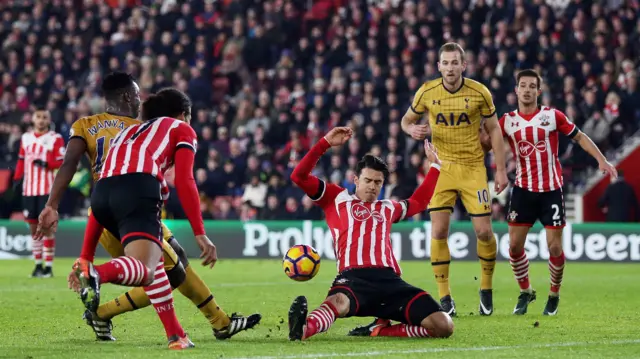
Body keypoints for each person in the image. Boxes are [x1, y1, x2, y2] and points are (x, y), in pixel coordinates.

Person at [37, 73, 260, 343]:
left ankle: (206, 327)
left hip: (102, 200)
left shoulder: (101, 127)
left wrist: (80, 247)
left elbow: (70, 164)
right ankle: (105, 306)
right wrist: (200, 232)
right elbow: (186, 180)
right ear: (183, 114)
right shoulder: (170, 127)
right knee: (160, 270)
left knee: (173, 261)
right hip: (136, 196)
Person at [287, 127, 453, 341]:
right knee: (337, 302)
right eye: (368, 181)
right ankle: (303, 329)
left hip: (391, 282)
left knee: (444, 326)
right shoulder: (336, 198)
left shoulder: (388, 207)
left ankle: (382, 330)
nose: (373, 187)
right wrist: (325, 143)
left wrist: (435, 166)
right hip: (353, 279)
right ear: (356, 180)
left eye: (378, 183)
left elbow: (419, 202)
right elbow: (298, 176)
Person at [486, 69, 617, 315]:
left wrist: (602, 160)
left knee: (554, 248)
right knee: (514, 247)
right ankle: (525, 292)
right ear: (516, 90)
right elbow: (488, 142)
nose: (526, 90)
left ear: (539, 90)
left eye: (531, 86)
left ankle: (554, 295)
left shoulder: (552, 116)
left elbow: (580, 137)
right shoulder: (507, 121)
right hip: (523, 191)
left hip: (551, 191)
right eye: (522, 85)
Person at [400, 42, 508, 316]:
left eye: (454, 63)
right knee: (438, 232)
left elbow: (494, 130)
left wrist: (501, 169)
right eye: (445, 63)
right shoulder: (427, 91)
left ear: (463, 65)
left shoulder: (479, 92)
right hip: (441, 168)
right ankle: (445, 298)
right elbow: (405, 121)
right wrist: (412, 129)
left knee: (484, 232)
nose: (449, 68)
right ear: (439, 67)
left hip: (473, 168)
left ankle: (485, 289)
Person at [12, 109, 65, 278]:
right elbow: (21, 160)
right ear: (33, 119)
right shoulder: (26, 138)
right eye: (38, 117)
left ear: (49, 120)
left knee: (47, 227)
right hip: (29, 190)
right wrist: (16, 179)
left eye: (44, 117)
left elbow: (61, 161)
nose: (41, 120)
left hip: (47, 190)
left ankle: (48, 267)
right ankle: (37, 265)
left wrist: (46, 163)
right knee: (33, 229)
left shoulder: (55, 138)